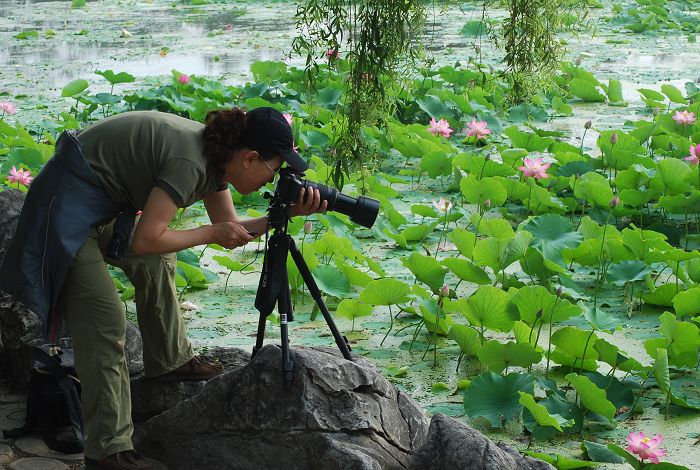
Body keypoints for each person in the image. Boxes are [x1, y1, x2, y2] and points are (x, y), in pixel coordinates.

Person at [0, 107, 327, 470]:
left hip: (98, 207)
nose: (274, 179)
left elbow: (229, 227)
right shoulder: (189, 161)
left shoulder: (217, 159)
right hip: (63, 209)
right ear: (250, 158)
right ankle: (108, 450)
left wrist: (283, 215)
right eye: (275, 168)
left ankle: (170, 360)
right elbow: (147, 239)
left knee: (159, 260)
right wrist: (210, 234)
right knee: (105, 322)